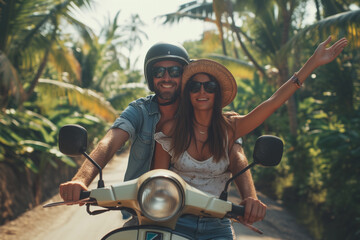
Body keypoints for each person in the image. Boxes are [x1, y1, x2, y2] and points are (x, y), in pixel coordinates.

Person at [153, 36, 348, 239]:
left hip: (217, 224)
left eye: (209, 86)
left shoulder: (231, 128)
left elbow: (273, 102)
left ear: (217, 92)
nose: (202, 91)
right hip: (176, 221)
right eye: (195, 86)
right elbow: (156, 182)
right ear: (187, 93)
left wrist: (313, 63)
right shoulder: (171, 129)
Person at [59, 41, 263, 224]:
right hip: (144, 208)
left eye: (174, 71)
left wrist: (250, 199)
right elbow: (110, 141)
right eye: (158, 72)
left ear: (185, 78)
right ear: (150, 77)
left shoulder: (205, 110)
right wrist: (81, 179)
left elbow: (237, 155)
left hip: (203, 214)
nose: (166, 78)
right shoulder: (140, 110)